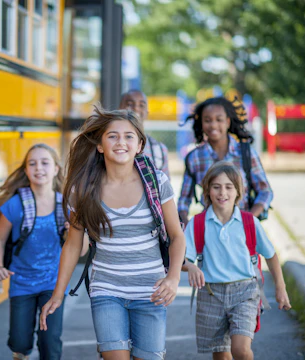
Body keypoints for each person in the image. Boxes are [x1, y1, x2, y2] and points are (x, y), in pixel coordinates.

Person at [39, 106, 186, 360]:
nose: (121, 142)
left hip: (151, 292)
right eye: (113, 136)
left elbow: (177, 236)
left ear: (140, 145)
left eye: (129, 136)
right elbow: (73, 245)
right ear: (99, 145)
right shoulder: (84, 189)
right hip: (107, 291)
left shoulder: (156, 182)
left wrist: (173, 278)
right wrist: (58, 294)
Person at [182, 161, 291, 360]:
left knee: (240, 349)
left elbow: (270, 255)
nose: (222, 192)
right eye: (216, 187)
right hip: (211, 293)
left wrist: (280, 288)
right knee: (221, 354)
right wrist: (190, 267)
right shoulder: (197, 224)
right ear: (207, 191)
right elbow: (183, 259)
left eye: (228, 187)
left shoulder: (250, 222)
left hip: (245, 292)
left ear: (238, 192)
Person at [0, 143, 79, 360]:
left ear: (56, 168)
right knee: (19, 341)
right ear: (26, 170)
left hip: (53, 283)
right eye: (32, 163)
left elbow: (78, 246)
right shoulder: (15, 204)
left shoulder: (65, 205)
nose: (39, 168)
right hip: (22, 282)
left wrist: (70, 233)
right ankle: (21, 354)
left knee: (50, 340)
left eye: (45, 163)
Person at [178, 96, 273, 226]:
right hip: (209, 230)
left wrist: (248, 220)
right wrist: (187, 228)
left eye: (219, 119)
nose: (213, 125)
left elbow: (265, 191)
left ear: (228, 122)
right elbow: (183, 202)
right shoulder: (194, 158)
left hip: (243, 230)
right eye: (207, 120)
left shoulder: (246, 153)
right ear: (201, 123)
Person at [119, 89, 170, 178]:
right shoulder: (109, 145)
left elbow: (165, 188)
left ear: (147, 112)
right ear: (119, 109)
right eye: (130, 104)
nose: (136, 108)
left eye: (141, 105)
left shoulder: (159, 150)